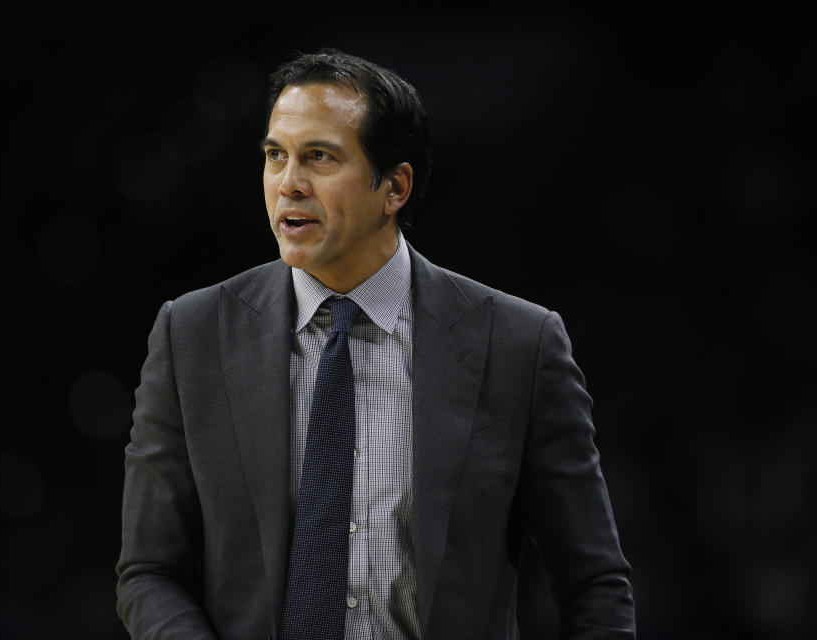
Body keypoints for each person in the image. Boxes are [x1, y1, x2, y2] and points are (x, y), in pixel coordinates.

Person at [116, 49, 635, 639]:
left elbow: (594, 585)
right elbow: (149, 572)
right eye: (275, 157)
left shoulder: (519, 344)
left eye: (319, 157)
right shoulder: (191, 336)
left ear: (394, 188)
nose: (289, 184)